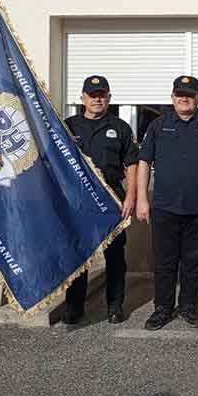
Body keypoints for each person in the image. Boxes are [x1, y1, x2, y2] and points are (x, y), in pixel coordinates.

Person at [137, 76, 198, 330]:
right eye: (180, 94)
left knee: (193, 261)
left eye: (189, 95)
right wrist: (142, 199)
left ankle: (189, 307)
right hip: (165, 207)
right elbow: (144, 162)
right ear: (172, 97)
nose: (184, 99)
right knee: (164, 262)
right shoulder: (158, 125)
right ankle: (163, 308)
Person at [63, 75, 138, 325]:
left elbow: (132, 164)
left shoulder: (120, 128)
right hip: (78, 201)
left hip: (111, 200)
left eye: (102, 95)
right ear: (82, 98)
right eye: (92, 95)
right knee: (78, 255)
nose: (97, 99)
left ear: (109, 98)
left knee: (115, 256)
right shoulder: (68, 127)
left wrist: (131, 196)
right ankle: (74, 306)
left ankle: (115, 305)